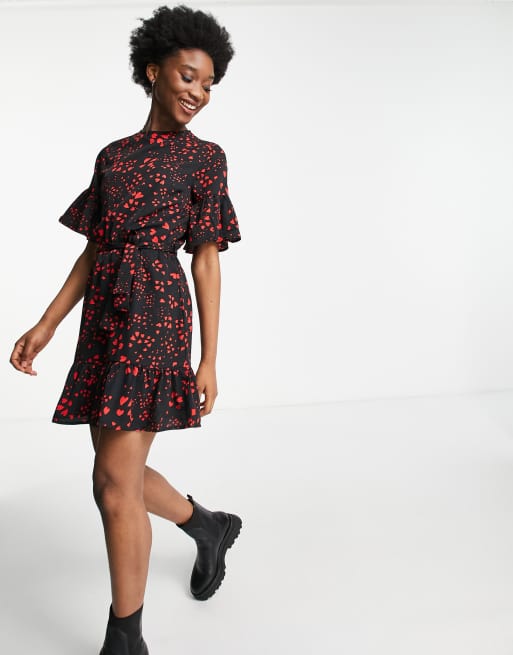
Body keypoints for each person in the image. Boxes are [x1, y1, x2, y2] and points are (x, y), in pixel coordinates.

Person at [9, 5, 242, 654]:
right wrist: (46, 324)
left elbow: (206, 259)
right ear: (153, 70)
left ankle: (124, 639)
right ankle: (208, 526)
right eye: (188, 76)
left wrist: (209, 357)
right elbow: (95, 249)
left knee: (112, 486)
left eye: (209, 84)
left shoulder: (205, 159)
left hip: (157, 314)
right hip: (104, 319)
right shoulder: (113, 157)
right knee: (121, 474)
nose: (198, 92)